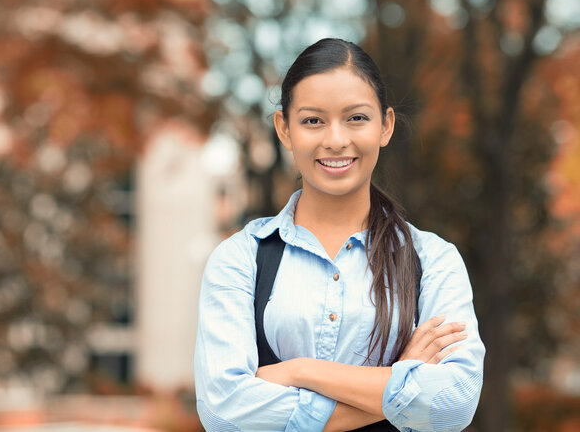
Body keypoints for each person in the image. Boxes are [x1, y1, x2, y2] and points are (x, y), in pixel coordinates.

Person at [193, 38, 485, 432]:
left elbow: (452, 404)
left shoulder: (432, 259)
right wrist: (401, 380)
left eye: (356, 118)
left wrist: (300, 371)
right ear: (284, 129)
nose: (335, 139)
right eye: (313, 120)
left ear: (386, 126)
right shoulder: (240, 258)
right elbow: (224, 411)